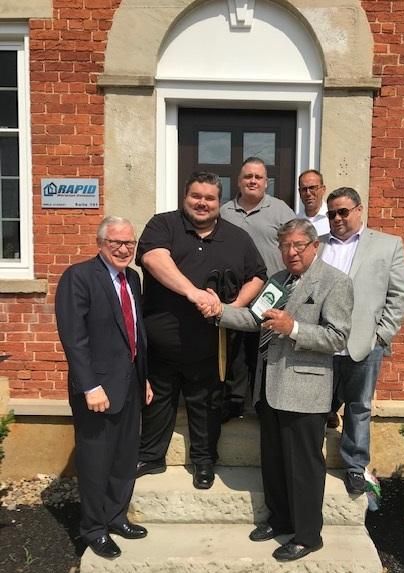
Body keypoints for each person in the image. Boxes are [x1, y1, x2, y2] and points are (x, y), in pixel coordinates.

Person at [200, 219, 353, 562]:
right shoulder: (278, 280)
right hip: (269, 388)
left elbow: (337, 337)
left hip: (305, 391)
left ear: (315, 246)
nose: (291, 252)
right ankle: (280, 519)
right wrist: (220, 311)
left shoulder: (335, 282)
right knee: (274, 462)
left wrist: (293, 327)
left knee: (303, 468)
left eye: (298, 245)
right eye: (285, 246)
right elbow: (253, 319)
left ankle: (307, 535)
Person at [135, 171, 266, 489]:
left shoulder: (237, 238)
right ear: (185, 197)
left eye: (210, 198)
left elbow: (258, 275)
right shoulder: (163, 225)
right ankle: (151, 456)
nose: (202, 203)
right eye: (196, 196)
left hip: (211, 344)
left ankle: (204, 461)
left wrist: (231, 308)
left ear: (220, 202)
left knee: (206, 405)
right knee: (158, 402)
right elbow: (153, 258)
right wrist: (193, 293)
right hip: (162, 343)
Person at [55, 216, 151, 560]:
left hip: (130, 385)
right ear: (100, 244)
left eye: (129, 243)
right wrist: (90, 386)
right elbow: (74, 338)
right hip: (97, 391)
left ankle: (116, 516)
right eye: (116, 243)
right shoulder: (79, 277)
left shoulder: (133, 279)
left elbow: (134, 333)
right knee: (96, 461)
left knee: (125, 458)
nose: (124, 249)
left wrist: (144, 377)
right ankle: (94, 529)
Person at [319, 187, 404, 494]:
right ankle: (311, 458)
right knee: (317, 403)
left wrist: (381, 335)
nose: (337, 218)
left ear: (359, 210)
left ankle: (355, 466)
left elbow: (399, 295)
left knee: (358, 407)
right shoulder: (318, 245)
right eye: (332, 213)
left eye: (343, 212)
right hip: (323, 342)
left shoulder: (387, 245)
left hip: (364, 342)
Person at [220, 157, 295, 420]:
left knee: (266, 350)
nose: (253, 181)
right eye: (248, 176)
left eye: (258, 177)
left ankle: (264, 403)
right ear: (238, 181)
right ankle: (235, 401)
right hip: (235, 295)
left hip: (272, 294)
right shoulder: (225, 212)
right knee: (236, 350)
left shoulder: (281, 210)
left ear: (266, 182)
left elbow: (295, 242)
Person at [296, 169, 330, 235]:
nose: (308, 193)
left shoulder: (333, 218)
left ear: (323, 189)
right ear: (299, 192)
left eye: (312, 188)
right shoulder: (296, 221)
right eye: (304, 189)